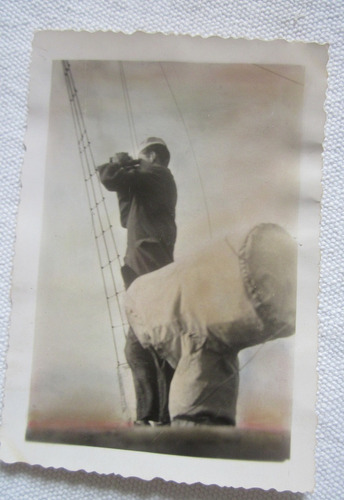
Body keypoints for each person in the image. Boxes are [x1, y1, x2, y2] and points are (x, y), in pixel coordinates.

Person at [125, 223, 297, 426]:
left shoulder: (142, 304)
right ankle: (160, 420)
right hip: (207, 383)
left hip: (157, 318)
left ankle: (153, 420)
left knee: (141, 355)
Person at [97, 137, 177, 425]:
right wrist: (128, 172)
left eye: (141, 158)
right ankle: (155, 417)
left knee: (147, 342)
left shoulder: (157, 173)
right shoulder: (152, 181)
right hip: (146, 259)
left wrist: (120, 162)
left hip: (148, 257)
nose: (139, 162)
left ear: (153, 157)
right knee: (143, 343)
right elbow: (124, 218)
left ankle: (153, 418)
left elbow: (109, 177)